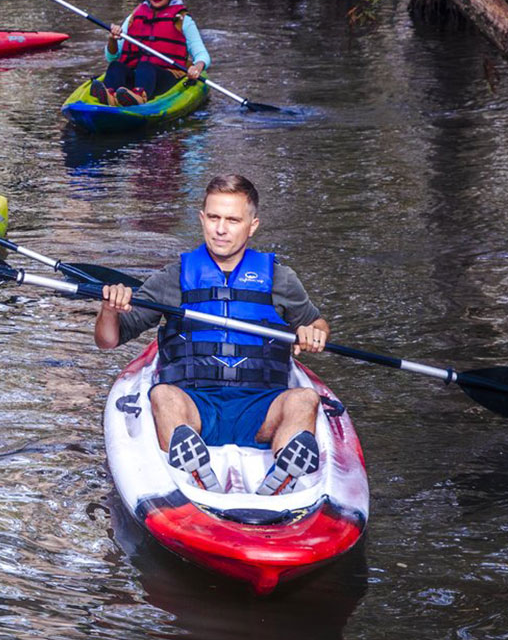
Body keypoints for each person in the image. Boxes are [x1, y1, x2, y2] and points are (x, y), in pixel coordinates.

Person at [93, 174, 330, 495]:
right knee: (163, 395)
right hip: (196, 405)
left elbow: (317, 324)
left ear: (252, 225)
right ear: (202, 219)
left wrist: (312, 333)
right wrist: (110, 308)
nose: (221, 229)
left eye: (232, 220)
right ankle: (196, 470)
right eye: (214, 217)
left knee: (305, 398)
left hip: (262, 407)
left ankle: (284, 477)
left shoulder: (280, 279)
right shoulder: (174, 277)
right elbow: (108, 339)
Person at [97, 0, 208, 105]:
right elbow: (111, 57)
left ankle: (139, 98)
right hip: (138, 74)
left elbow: (202, 55)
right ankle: (110, 96)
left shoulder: (182, 19)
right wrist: (112, 40)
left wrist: (197, 67)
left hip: (167, 76)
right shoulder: (135, 16)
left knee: (145, 66)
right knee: (116, 66)